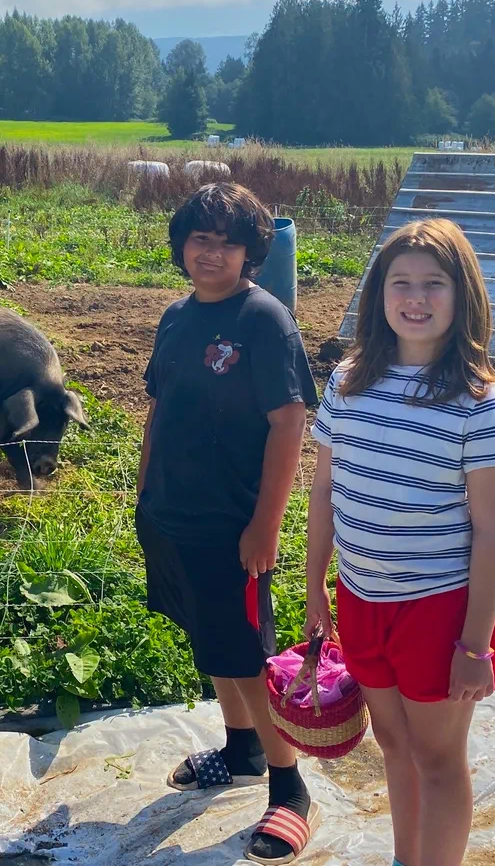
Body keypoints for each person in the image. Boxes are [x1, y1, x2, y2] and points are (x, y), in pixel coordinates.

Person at [305, 218, 495, 866]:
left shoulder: (477, 404)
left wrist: (473, 642)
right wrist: (316, 582)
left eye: (434, 283)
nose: (416, 297)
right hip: (361, 598)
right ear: (379, 294)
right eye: (401, 282)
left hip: (438, 611)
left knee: (437, 757)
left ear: (464, 298)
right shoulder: (348, 383)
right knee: (394, 746)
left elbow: (491, 534)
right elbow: (323, 493)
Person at [137, 182, 321, 865]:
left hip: (234, 521)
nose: (210, 252)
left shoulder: (263, 320)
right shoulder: (176, 317)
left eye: (226, 241)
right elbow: (158, 408)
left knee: (249, 654)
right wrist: (143, 493)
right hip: (172, 512)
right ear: (182, 245)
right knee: (211, 641)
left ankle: (289, 787)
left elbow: (288, 421)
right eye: (199, 238)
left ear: (251, 252)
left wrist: (265, 525)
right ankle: (241, 749)